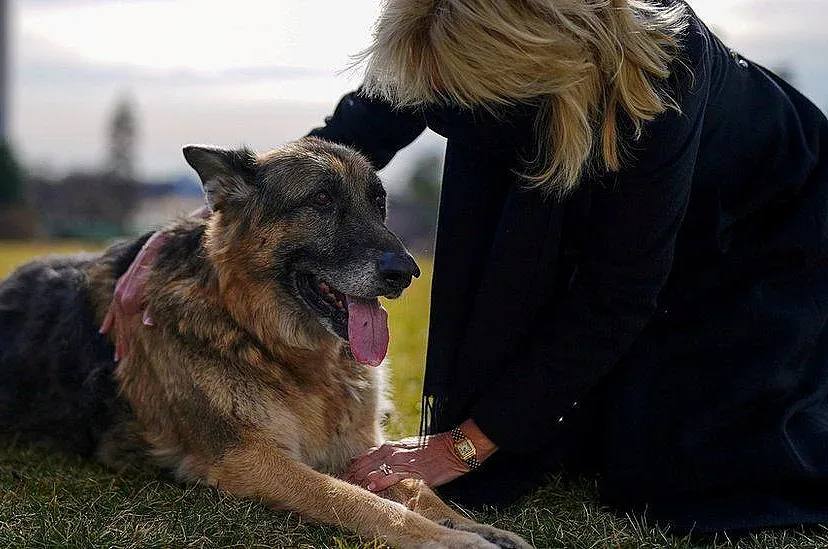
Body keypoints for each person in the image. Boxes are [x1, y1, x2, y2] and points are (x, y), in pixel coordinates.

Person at [104, 0, 828, 535]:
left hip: (769, 219)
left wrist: (461, 444)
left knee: (695, 474)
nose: (436, 100)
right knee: (562, 442)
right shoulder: (446, 28)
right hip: (601, 171)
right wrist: (189, 233)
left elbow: (617, 291)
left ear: (527, 71)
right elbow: (335, 145)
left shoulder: (662, 82)